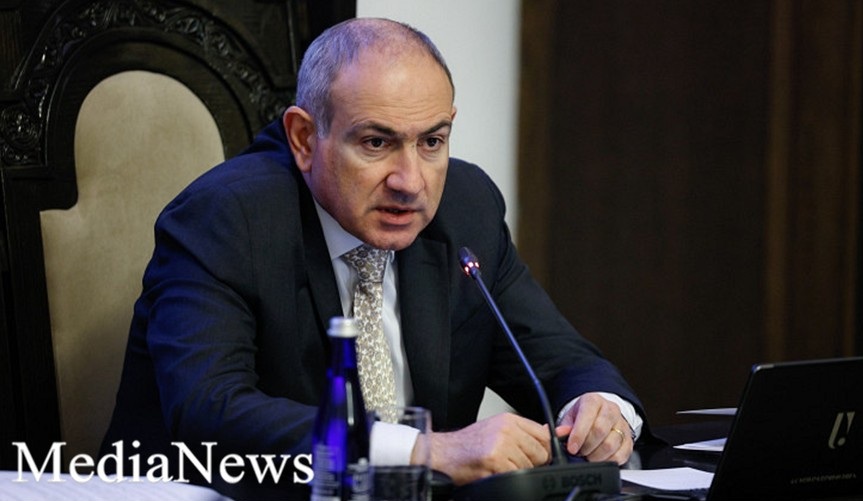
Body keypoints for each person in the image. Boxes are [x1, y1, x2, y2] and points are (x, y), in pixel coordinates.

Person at [101, 17, 647, 499]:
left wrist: (601, 409)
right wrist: (424, 450)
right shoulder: (226, 219)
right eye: (376, 143)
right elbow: (211, 412)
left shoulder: (466, 208)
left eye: (432, 141)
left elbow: (560, 360)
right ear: (304, 138)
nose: (411, 182)